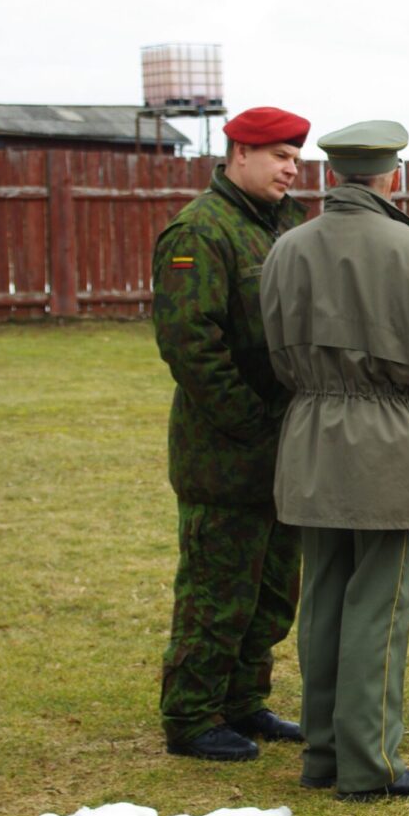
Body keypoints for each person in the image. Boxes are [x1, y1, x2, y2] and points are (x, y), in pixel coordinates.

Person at [262, 120, 409, 800]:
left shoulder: (286, 248)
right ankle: (370, 764)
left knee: (324, 593)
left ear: (334, 174)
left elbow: (271, 348)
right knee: (378, 605)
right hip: (384, 438)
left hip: (309, 433)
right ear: (391, 175)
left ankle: (323, 752)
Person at [152, 106, 311, 762]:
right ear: (238, 152)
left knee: (273, 590)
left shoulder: (289, 226)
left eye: (295, 158)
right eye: (279, 155)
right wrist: (255, 425)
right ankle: (191, 716)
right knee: (216, 593)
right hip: (226, 452)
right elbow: (191, 347)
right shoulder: (199, 231)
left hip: (286, 444)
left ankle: (245, 701)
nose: (291, 168)